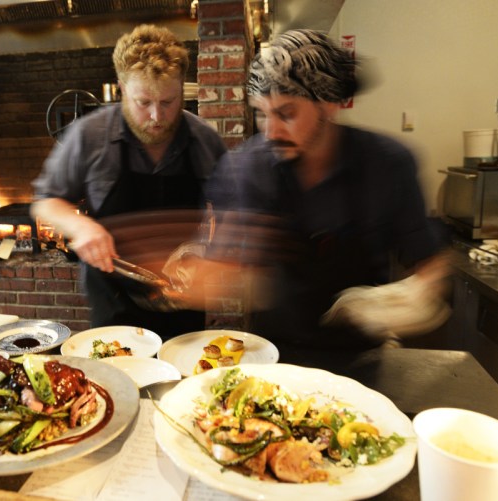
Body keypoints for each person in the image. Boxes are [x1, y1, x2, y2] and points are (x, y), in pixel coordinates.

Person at [192, 29, 450, 361]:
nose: (271, 131)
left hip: (362, 355)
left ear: (328, 105)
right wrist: (197, 274)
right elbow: (218, 262)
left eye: (287, 113)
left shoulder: (387, 164)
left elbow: (428, 260)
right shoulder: (242, 168)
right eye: (261, 113)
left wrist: (414, 298)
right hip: (272, 357)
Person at [31, 24, 227, 339]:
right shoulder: (89, 136)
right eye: (143, 102)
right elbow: (47, 202)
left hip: (183, 306)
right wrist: (81, 227)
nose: (157, 117)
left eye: (168, 102)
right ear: (122, 88)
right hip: (115, 306)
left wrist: (214, 259)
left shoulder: (204, 140)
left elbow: (230, 212)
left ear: (182, 89)